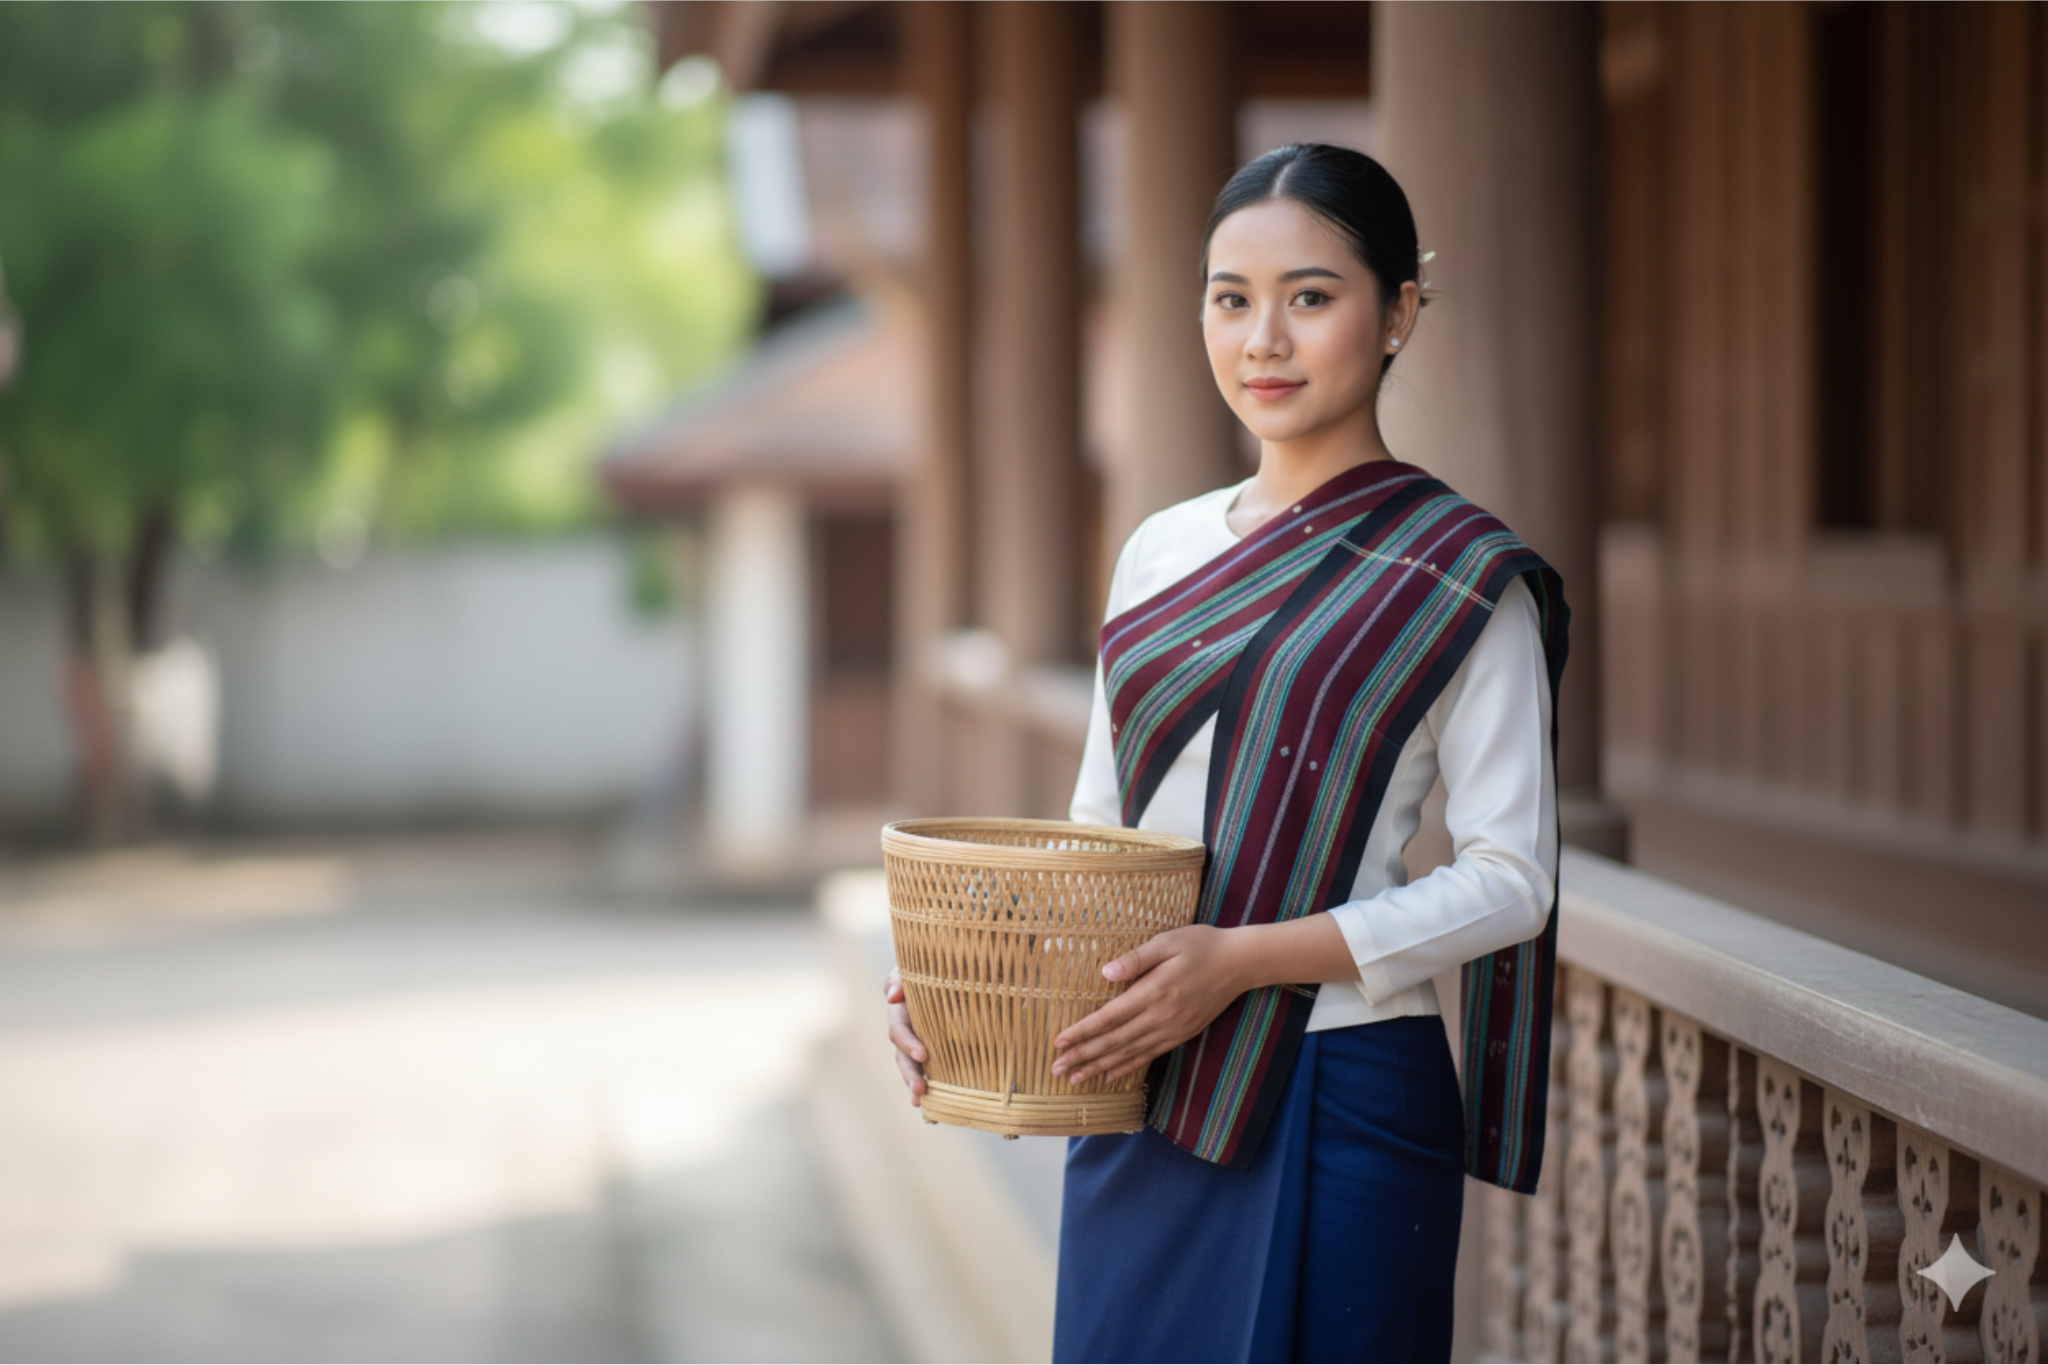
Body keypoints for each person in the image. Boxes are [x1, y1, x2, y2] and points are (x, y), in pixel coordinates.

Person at [884, 143, 1568, 1364]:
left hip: (1340, 1091)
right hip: (1144, 1090)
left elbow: (1513, 881)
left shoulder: (1459, 577)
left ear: (1399, 311)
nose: (1262, 339)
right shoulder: (1158, 549)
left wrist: (1244, 960)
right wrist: (970, 985)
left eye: (1309, 297)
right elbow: (1099, 832)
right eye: (1229, 297)